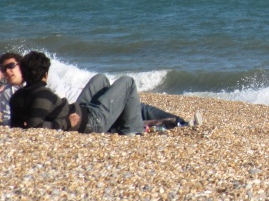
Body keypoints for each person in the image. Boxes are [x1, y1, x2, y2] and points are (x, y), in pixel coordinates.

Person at [10, 51, 200, 134]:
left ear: (24, 73)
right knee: (127, 83)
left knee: (100, 79)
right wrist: (67, 122)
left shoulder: (17, 97)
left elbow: (18, 127)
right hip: (91, 122)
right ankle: (132, 131)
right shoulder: (43, 95)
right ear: (45, 74)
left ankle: (172, 121)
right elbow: (35, 129)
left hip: (83, 109)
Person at [1, 51, 24, 126]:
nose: (7, 71)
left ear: (21, 66)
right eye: (4, 69)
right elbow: (6, 119)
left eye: (11, 65)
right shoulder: (7, 92)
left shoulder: (38, 81)